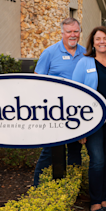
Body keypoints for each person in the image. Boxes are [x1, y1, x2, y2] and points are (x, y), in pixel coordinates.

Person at [71, 26, 106, 211]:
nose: (102, 42)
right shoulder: (84, 63)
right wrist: (80, 128)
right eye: (98, 39)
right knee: (97, 160)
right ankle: (95, 201)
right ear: (92, 43)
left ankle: (103, 199)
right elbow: (75, 94)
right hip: (92, 122)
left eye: (105, 38)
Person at [33, 17, 86, 186]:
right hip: (54, 112)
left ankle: (72, 188)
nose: (73, 35)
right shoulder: (50, 53)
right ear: (62, 33)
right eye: (69, 32)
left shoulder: (86, 53)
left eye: (76, 31)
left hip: (77, 112)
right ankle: (37, 187)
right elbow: (37, 81)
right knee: (50, 150)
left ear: (80, 32)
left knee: (75, 151)